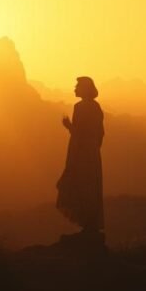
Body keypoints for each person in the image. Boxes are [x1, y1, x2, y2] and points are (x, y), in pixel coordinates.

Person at [56, 76, 105, 246]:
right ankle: (89, 226)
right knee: (89, 187)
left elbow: (81, 133)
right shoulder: (96, 108)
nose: (74, 89)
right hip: (91, 154)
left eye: (77, 86)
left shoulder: (81, 108)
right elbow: (99, 134)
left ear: (85, 88)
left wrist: (68, 126)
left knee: (81, 186)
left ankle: (89, 227)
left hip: (81, 155)